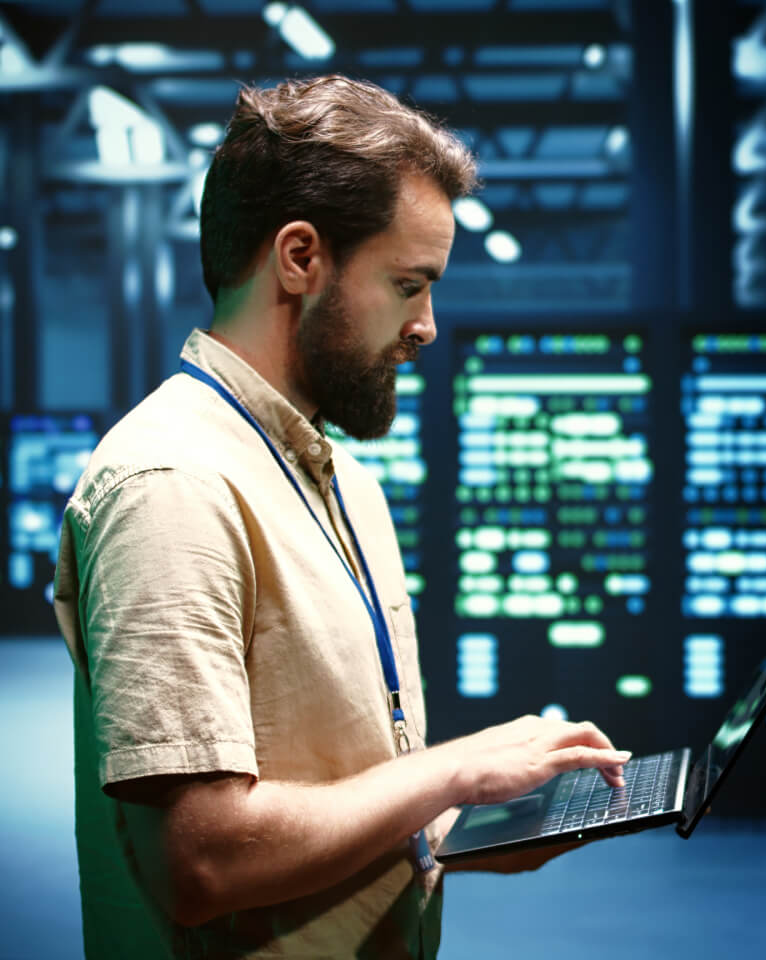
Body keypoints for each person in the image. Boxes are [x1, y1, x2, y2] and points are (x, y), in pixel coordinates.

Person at [54, 75, 630, 959]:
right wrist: (454, 770)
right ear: (299, 258)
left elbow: (340, 785)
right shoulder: (172, 484)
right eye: (407, 284)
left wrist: (465, 824)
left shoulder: (342, 481)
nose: (427, 326)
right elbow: (204, 860)